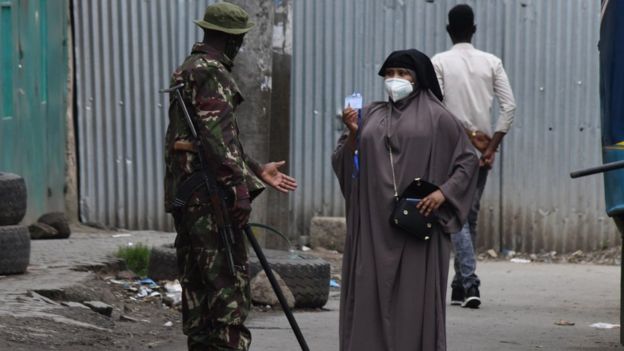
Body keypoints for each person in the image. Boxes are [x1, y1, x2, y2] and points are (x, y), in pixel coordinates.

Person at [164, 3, 297, 350]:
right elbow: (217, 141)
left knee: (198, 289)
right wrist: (239, 190)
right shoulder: (213, 72)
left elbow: (210, 139)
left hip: (189, 197)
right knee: (228, 291)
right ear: (231, 40)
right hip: (212, 200)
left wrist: (254, 168)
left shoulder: (187, 69)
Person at [333, 49, 479, 351]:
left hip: (417, 229)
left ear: (419, 79)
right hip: (373, 227)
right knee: (368, 294)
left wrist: (443, 193)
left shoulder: (440, 117)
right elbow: (346, 164)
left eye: (403, 74)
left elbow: (467, 162)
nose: (394, 80)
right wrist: (352, 136)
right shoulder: (371, 114)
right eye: (390, 73)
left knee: (414, 302)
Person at [432, 4, 517, 309]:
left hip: (450, 148)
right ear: (474, 29)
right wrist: (491, 146)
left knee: (456, 214)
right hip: (481, 151)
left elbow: (436, 105)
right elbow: (509, 107)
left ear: (448, 30)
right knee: (469, 215)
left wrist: (459, 137)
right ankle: (459, 286)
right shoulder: (491, 62)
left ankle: (469, 283)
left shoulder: (439, 63)